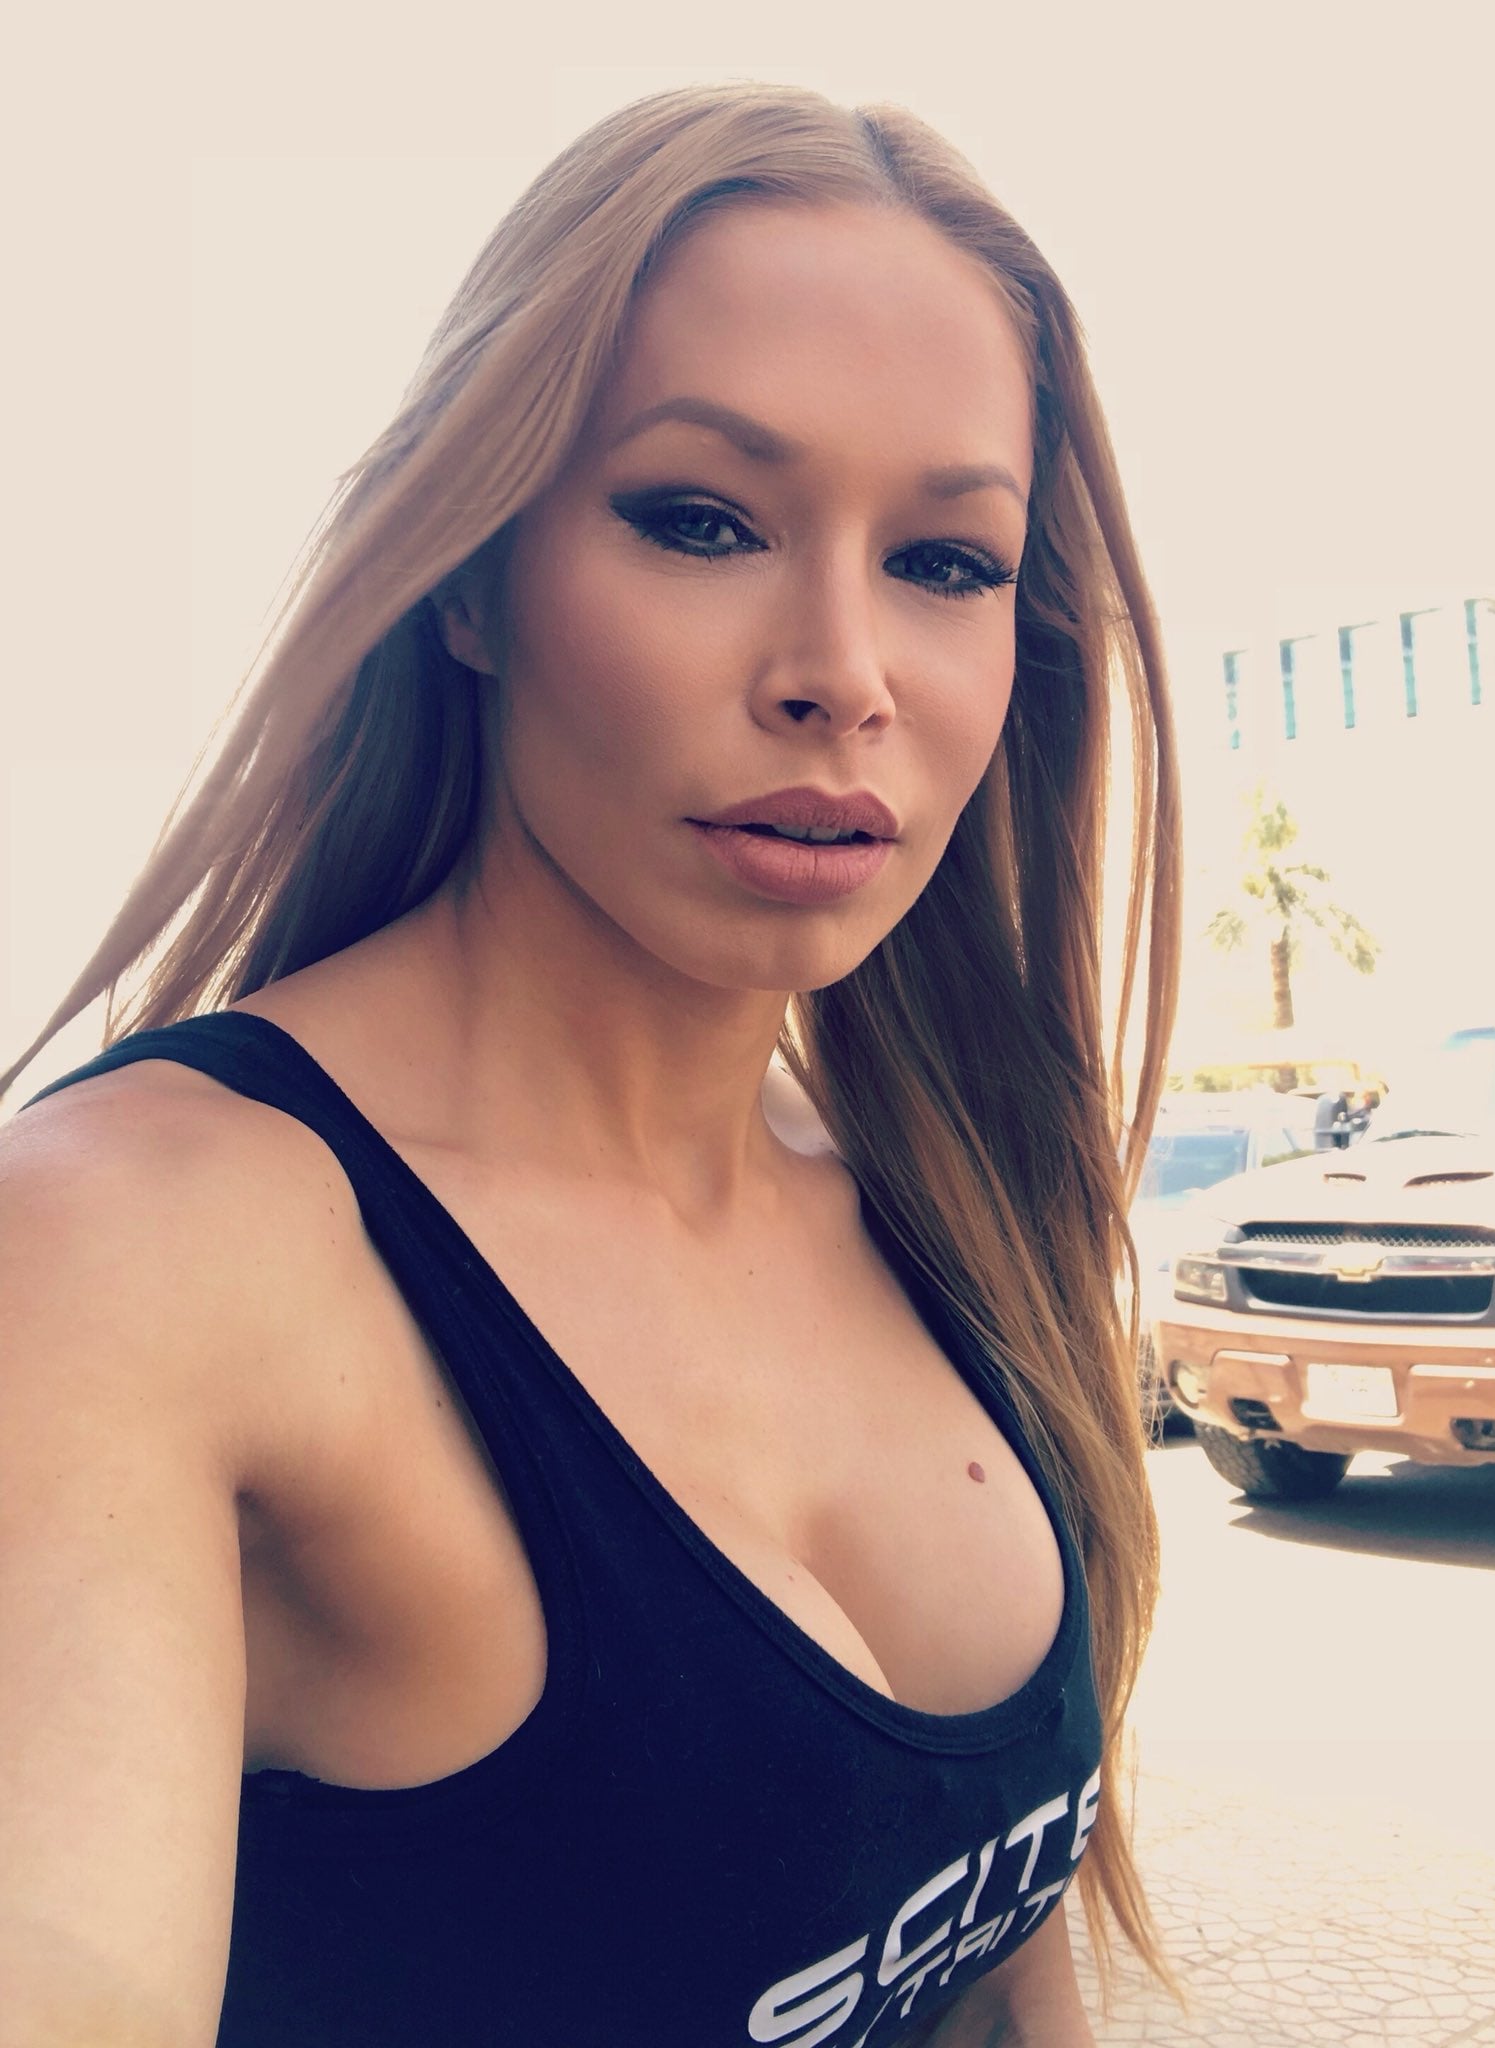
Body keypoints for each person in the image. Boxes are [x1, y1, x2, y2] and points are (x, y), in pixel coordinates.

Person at [0, 83, 1182, 2047]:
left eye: (946, 560)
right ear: (469, 579)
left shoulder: (939, 1202)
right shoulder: (125, 1256)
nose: (842, 672)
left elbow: (990, 1962)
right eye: (700, 520)